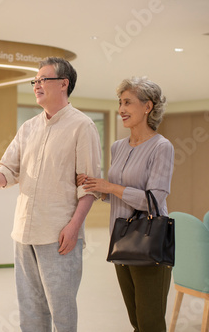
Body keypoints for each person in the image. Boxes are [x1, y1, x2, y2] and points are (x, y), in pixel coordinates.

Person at [0, 57, 102, 332]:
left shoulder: (82, 127)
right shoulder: (28, 128)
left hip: (59, 235)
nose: (37, 85)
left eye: (44, 79)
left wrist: (74, 226)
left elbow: (89, 187)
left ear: (63, 84)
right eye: (36, 80)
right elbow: (8, 169)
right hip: (23, 234)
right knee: (30, 310)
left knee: (62, 311)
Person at [78, 77, 174, 332]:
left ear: (147, 107)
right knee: (135, 320)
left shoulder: (162, 147)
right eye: (120, 102)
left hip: (150, 242)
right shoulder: (118, 147)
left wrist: (109, 187)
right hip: (120, 240)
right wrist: (96, 187)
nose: (121, 109)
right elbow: (115, 195)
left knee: (150, 322)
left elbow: (154, 199)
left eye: (128, 103)